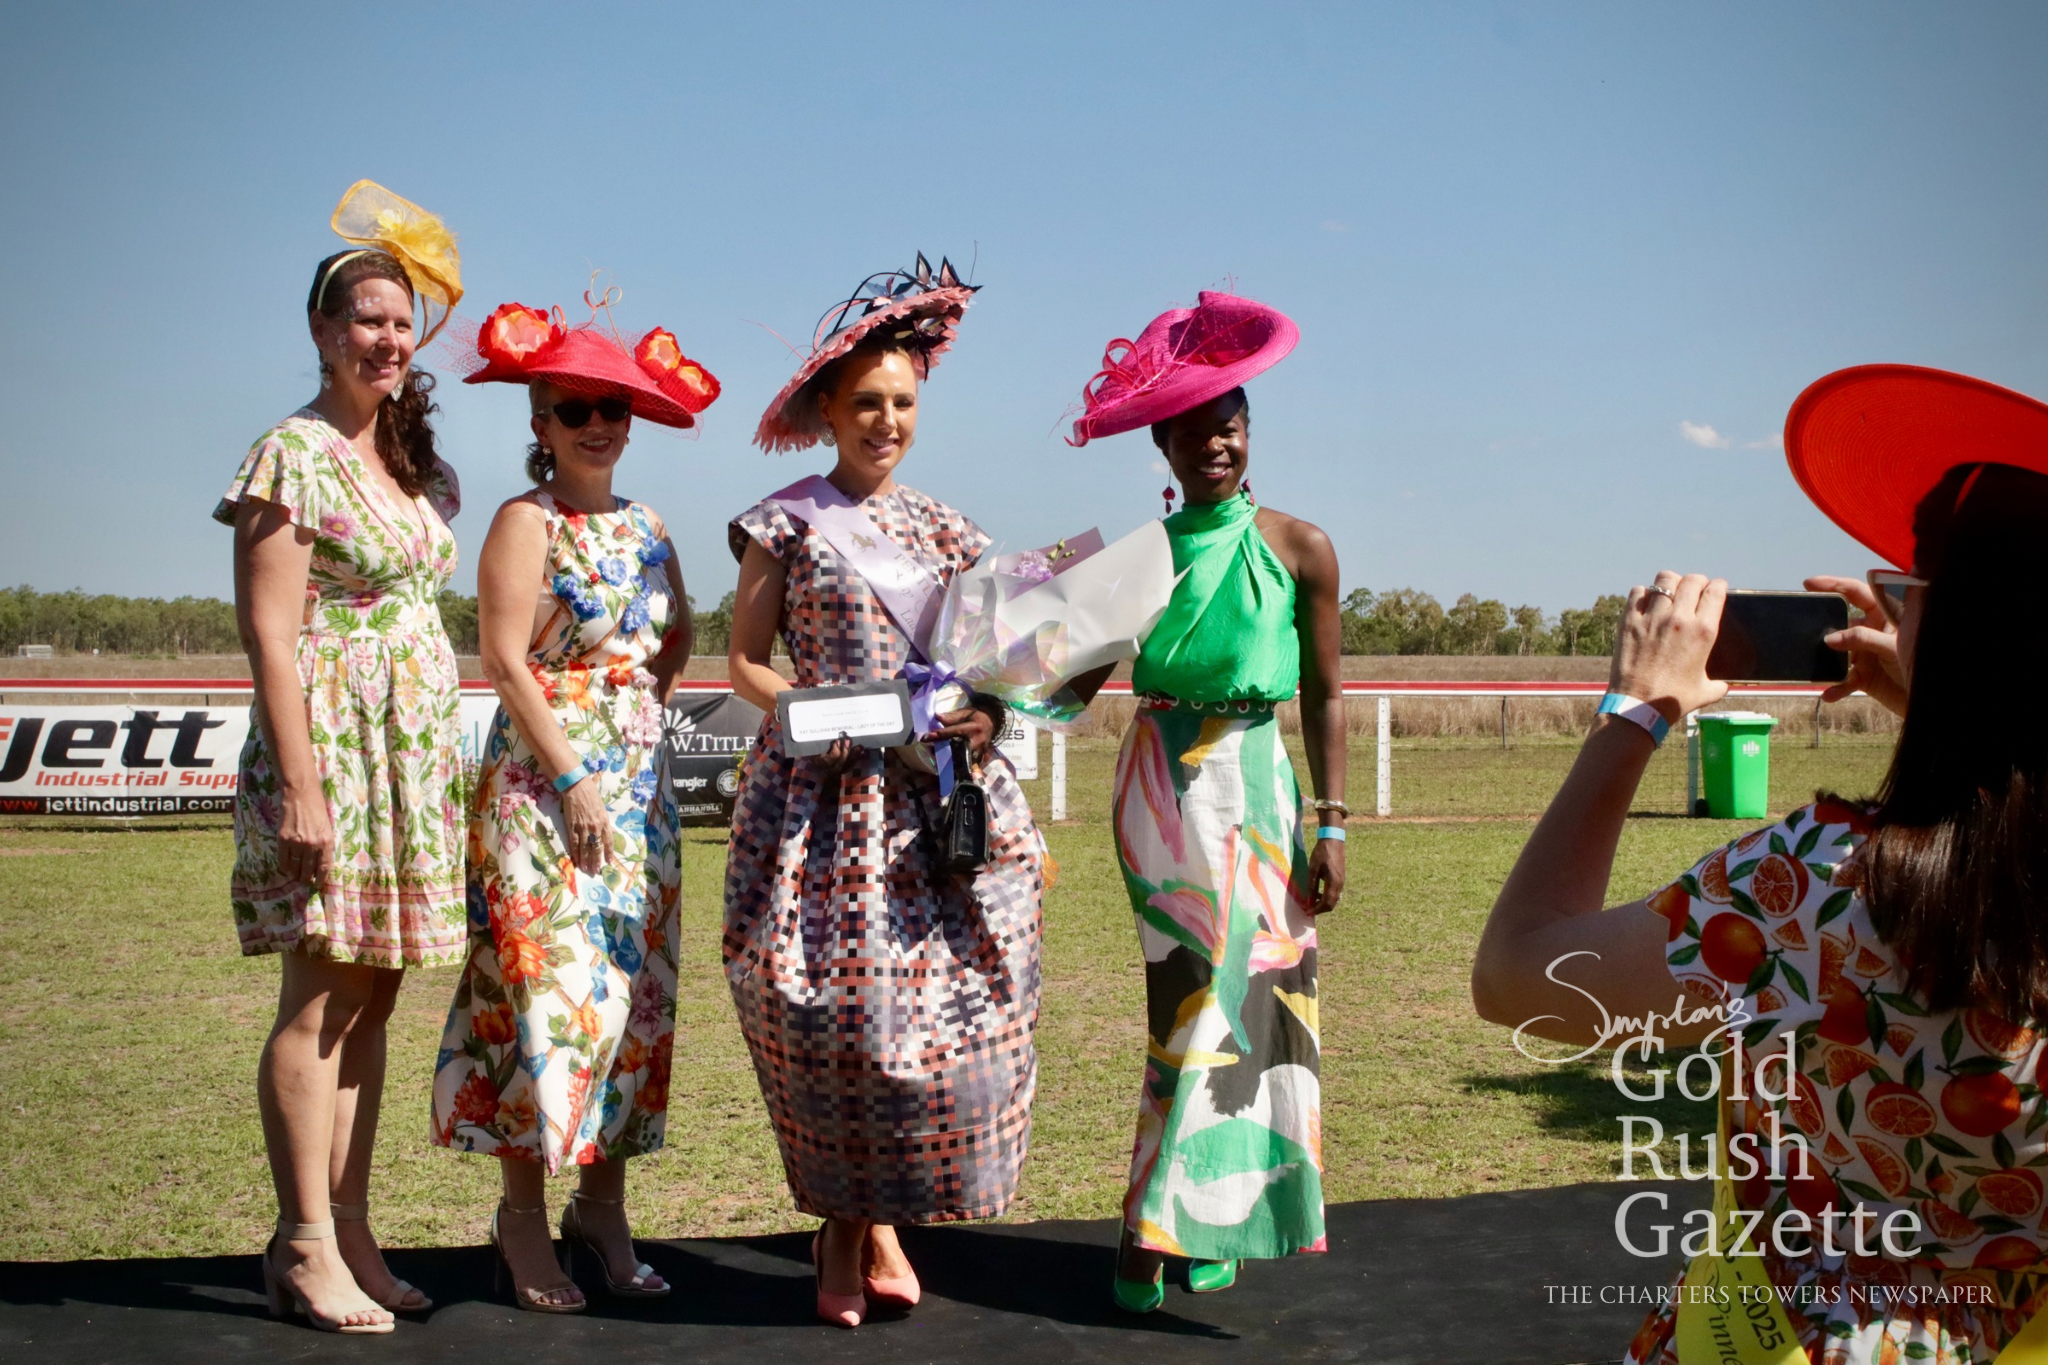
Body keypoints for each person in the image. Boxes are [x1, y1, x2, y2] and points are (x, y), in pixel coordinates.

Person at [1469, 364, 2048, 1364]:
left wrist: (1633, 714)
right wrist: (1956, 716)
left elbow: (1520, 976)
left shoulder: (1812, 887)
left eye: (1911, 588)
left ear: (1942, 628)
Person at [725, 256, 1043, 1328]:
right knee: (841, 1028)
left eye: (902, 403)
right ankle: (842, 1227)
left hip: (935, 811)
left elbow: (995, 663)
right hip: (822, 811)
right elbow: (747, 663)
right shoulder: (784, 522)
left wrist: (986, 717)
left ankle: (875, 1221)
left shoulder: (951, 532)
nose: (885, 421)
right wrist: (832, 712)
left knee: (944, 1035)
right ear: (826, 408)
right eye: (865, 402)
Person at [429, 300, 717, 1312]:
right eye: (574, 408)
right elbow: (505, 661)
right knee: (540, 1002)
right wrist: (575, 770)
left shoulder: (649, 526)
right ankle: (518, 1221)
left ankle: (601, 1208)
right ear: (540, 423)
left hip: (638, 799)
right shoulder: (524, 521)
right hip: (544, 799)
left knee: (631, 1012)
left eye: (612, 406)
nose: (597, 422)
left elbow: (676, 641)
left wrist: (630, 721)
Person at [1066, 291, 1347, 1311]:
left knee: (1260, 1004)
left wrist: (1333, 818)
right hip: (1163, 784)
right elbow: (1060, 667)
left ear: (1246, 432)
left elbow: (1323, 691)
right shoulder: (1139, 559)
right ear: (1165, 444)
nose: (1214, 443)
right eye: (1193, 431)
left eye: (1228, 425)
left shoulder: (1300, 547)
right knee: (1187, 1005)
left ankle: (1216, 1215)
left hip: (1264, 782)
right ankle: (1147, 1230)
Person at [217, 182, 464, 1333]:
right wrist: (304, 785)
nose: (387, 337)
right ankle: (302, 1242)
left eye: (401, 321)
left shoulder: (404, 466)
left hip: (410, 764)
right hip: (334, 756)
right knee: (318, 1000)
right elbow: (270, 630)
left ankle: (352, 1228)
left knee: (375, 1003)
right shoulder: (292, 453)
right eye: (366, 317)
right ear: (323, 333)